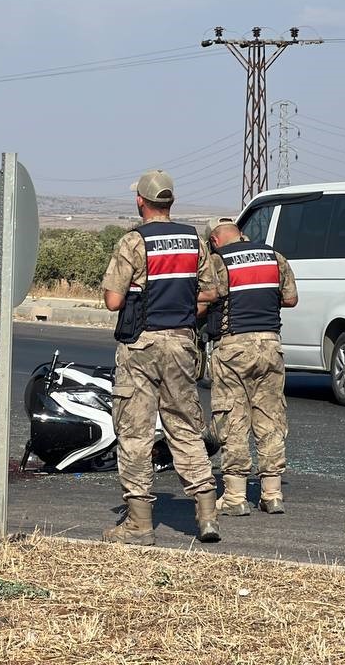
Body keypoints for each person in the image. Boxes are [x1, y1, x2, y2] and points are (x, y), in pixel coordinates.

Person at [100, 169, 221, 545]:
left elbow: (113, 301)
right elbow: (212, 291)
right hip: (183, 343)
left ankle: (139, 524)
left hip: (141, 346)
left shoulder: (133, 242)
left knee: (135, 433)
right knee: (184, 428)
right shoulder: (193, 240)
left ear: (141, 201)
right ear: (171, 202)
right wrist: (185, 311)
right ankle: (206, 516)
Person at [203, 216, 298, 516]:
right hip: (271, 345)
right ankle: (272, 493)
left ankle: (234, 497)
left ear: (215, 240)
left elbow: (205, 298)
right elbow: (291, 299)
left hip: (233, 347)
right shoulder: (274, 256)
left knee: (233, 419)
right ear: (240, 234)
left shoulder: (218, 261)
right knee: (270, 418)